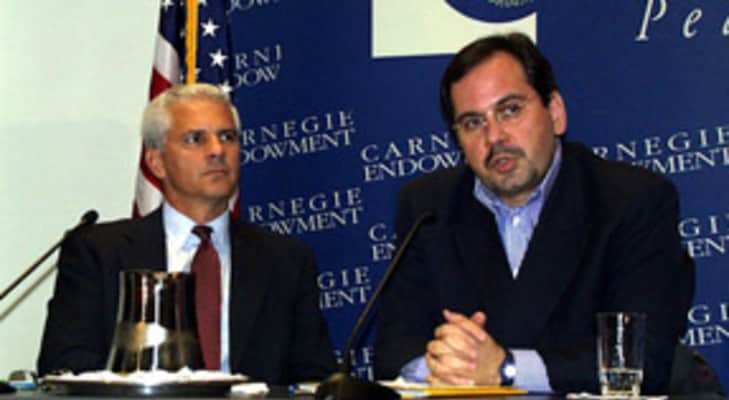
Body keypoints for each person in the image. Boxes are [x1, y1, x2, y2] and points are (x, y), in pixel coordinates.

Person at [374, 33, 693, 394]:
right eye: (473, 122)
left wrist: (506, 368)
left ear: (555, 113)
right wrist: (448, 366)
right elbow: (394, 351)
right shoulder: (428, 207)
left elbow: (644, 360)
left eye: (510, 110)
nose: (494, 137)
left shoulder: (631, 200)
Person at [37, 83, 336, 385]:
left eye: (227, 137)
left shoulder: (286, 259)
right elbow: (65, 364)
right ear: (156, 162)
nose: (217, 151)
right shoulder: (98, 253)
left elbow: (313, 377)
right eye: (196, 139)